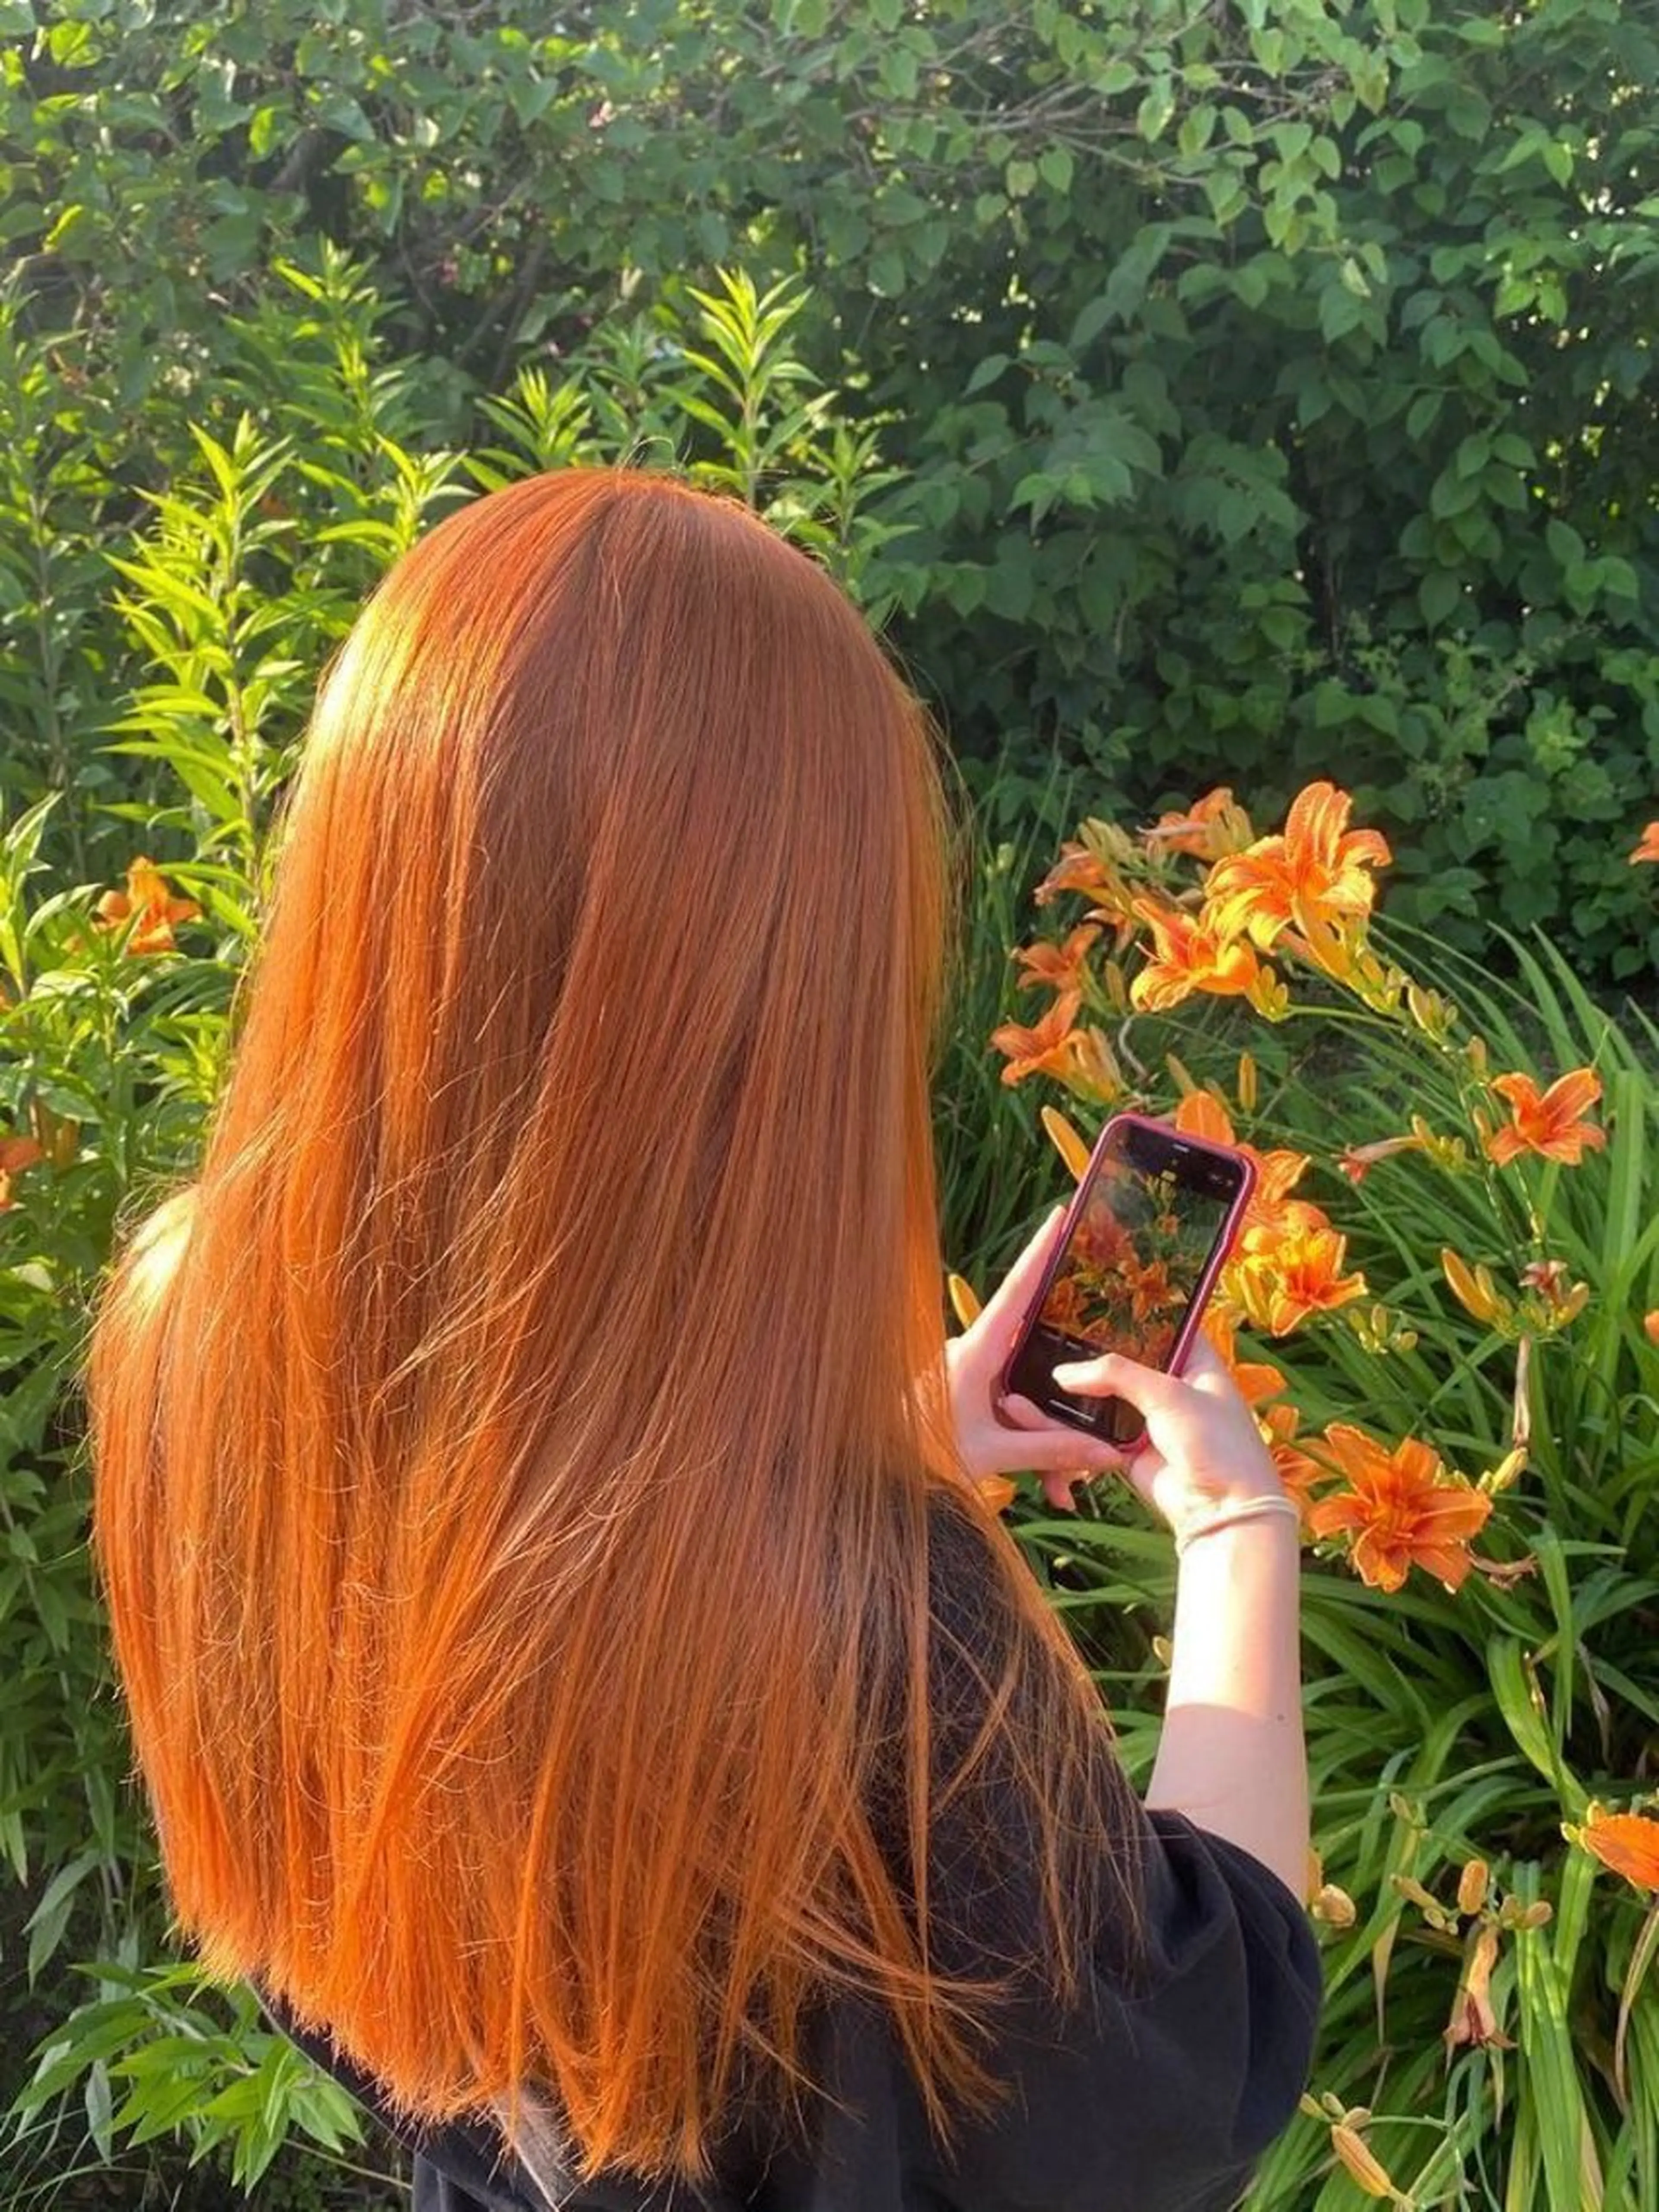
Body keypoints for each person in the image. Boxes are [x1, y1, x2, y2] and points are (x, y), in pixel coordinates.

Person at [88, 470, 1319, 2212]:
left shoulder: (189, 1339)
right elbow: (1193, 2067)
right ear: (791, 994)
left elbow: (376, 1804)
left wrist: (887, 1439)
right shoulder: (881, 1640)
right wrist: (1241, 1537)